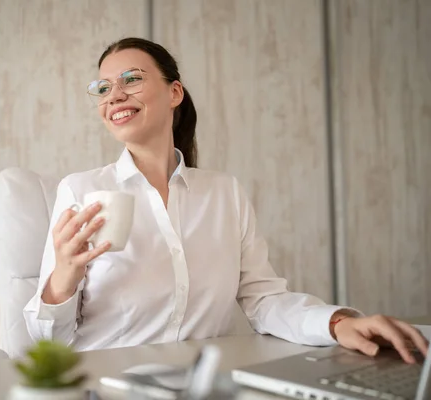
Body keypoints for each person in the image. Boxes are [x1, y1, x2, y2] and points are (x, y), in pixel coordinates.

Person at [23, 37, 428, 362]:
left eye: (131, 79)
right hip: (103, 387)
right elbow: (49, 343)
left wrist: (338, 323)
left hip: (200, 387)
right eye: (103, 88)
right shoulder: (80, 191)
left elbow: (264, 301)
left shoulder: (224, 193)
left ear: (174, 92)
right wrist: (62, 280)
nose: (114, 96)